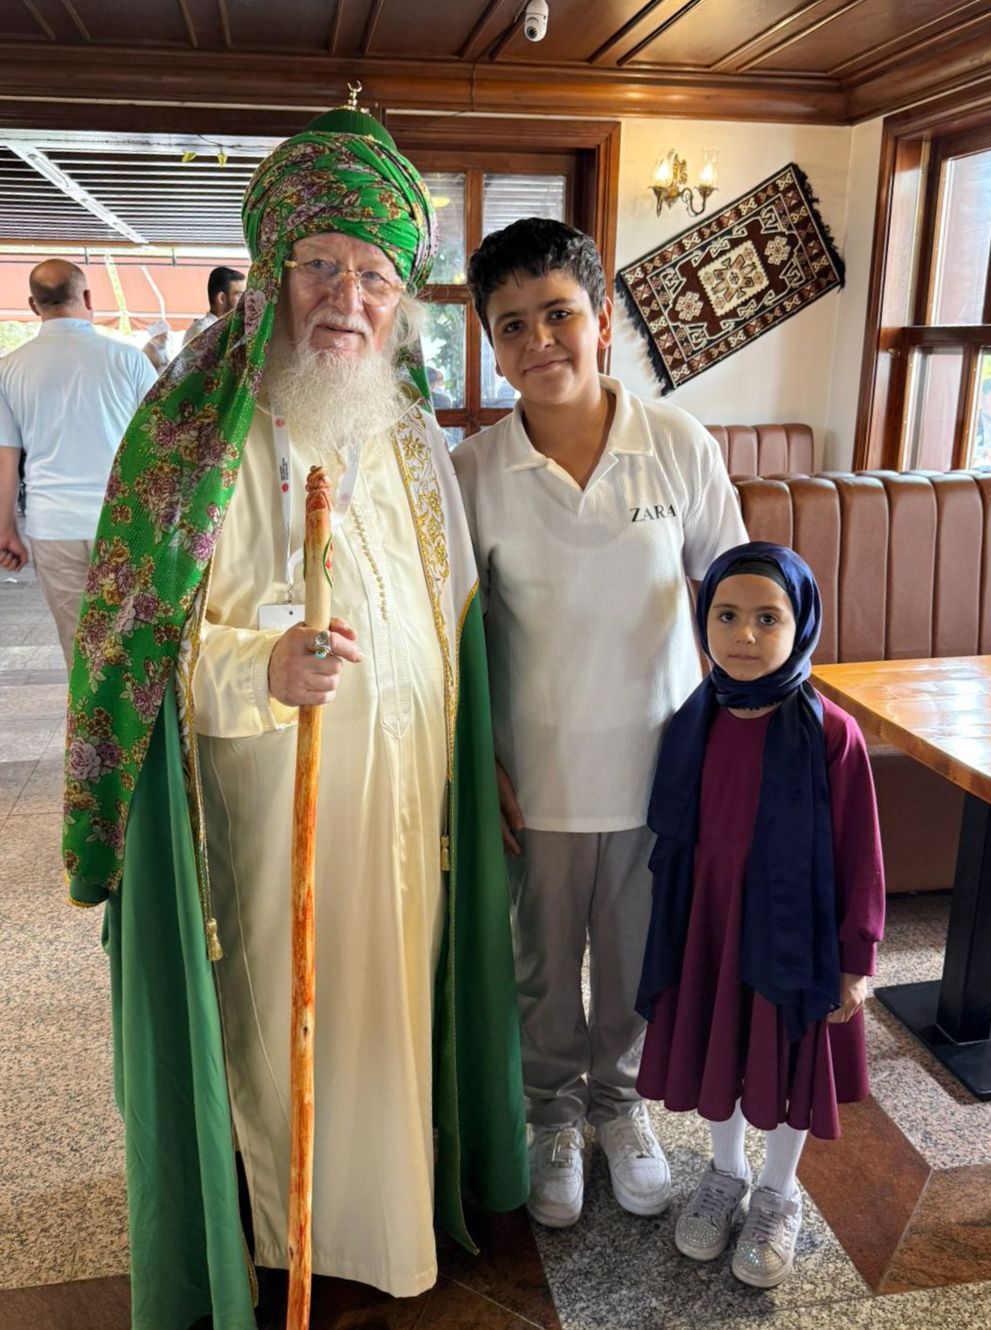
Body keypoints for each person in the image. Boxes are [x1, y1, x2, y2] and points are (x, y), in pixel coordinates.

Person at [62, 104, 527, 1330]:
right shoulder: (189, 439)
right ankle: (278, 1232)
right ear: (272, 269)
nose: (347, 298)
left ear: (402, 298)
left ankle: (392, 1217)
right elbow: (138, 656)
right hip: (262, 820)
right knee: (276, 1021)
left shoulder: (414, 439)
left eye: (375, 274)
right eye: (322, 263)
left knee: (393, 1011)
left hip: (406, 817)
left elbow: (456, 632)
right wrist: (258, 668)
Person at [452, 218, 748, 1230]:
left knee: (630, 963)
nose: (539, 341)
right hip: (532, 776)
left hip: (658, 772)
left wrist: (736, 745)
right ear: (492, 346)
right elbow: (453, 637)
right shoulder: (474, 471)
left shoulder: (675, 443)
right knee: (540, 967)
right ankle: (550, 1114)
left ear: (602, 319)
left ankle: (620, 1107)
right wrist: (476, 761)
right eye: (512, 325)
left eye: (558, 314)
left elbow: (736, 595)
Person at [636, 541, 885, 1288]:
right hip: (710, 922)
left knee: (784, 1054)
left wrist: (856, 958)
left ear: (800, 624)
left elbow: (861, 853)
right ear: (702, 620)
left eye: (767, 618)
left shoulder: (832, 734)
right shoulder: (693, 721)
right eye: (727, 615)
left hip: (795, 930)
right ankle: (726, 1172)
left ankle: (778, 1192)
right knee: (719, 1042)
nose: (744, 635)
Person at [0, 260, 157, 665]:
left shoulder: (9, 369)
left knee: (80, 649)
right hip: (124, 523)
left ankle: (86, 708)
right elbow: (158, 445)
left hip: (53, 526)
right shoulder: (129, 360)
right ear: (87, 297)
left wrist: (6, 528)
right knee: (134, 643)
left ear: (33, 305)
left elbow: (6, 457)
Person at [181, 263, 246, 345]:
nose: (245, 300)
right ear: (221, 298)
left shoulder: (226, 329)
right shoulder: (203, 331)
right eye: (240, 295)